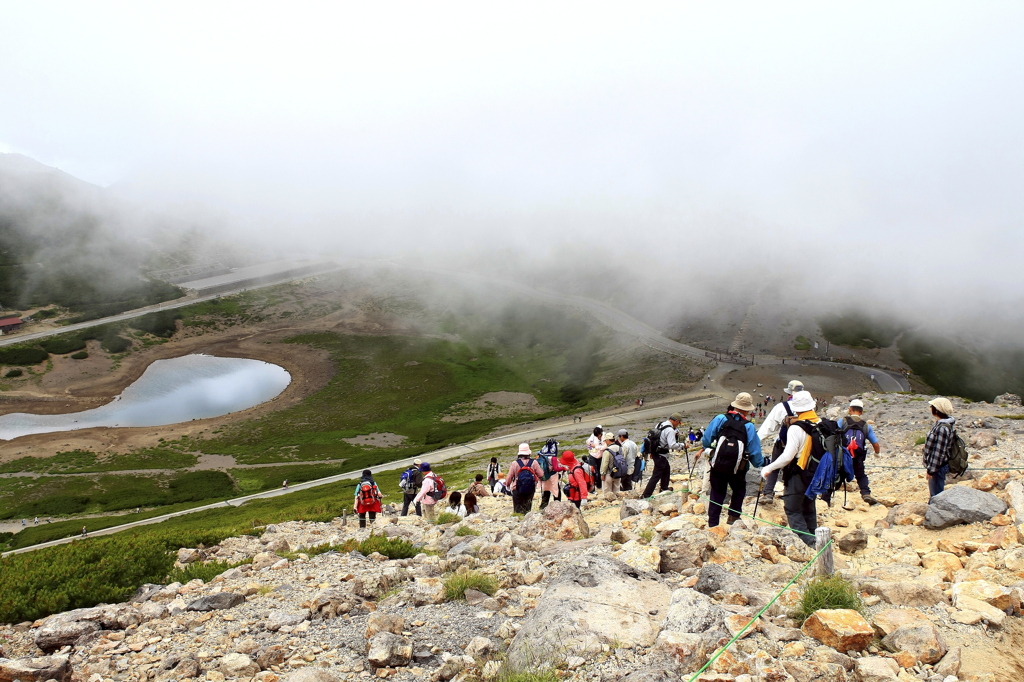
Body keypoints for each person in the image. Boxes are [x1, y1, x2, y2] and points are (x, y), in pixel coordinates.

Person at [759, 390, 821, 546]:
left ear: (797, 409)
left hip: (798, 471)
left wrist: (769, 468)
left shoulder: (796, 428)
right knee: (809, 504)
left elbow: (787, 456)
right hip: (817, 471)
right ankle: (816, 537)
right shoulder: (821, 424)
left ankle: (809, 542)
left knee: (792, 508)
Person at [701, 393, 765, 527]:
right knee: (739, 490)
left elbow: (706, 439)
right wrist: (760, 463)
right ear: (747, 409)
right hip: (739, 468)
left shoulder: (720, 418)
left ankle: (713, 523)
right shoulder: (749, 426)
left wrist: (709, 449)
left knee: (717, 492)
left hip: (718, 465)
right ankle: (733, 518)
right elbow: (754, 450)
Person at [756, 380, 805, 506]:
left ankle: (768, 492)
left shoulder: (782, 407)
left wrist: (755, 441)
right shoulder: (809, 408)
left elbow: (768, 427)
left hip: (782, 443)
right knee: (797, 468)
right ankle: (791, 494)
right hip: (802, 444)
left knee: (775, 465)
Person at [836, 399, 881, 505]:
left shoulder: (842, 421)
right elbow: (875, 443)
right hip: (858, 455)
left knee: (836, 471)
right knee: (861, 475)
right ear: (861, 412)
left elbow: (834, 434)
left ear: (850, 410)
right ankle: (866, 493)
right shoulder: (866, 426)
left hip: (843, 454)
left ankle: (827, 492)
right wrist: (877, 453)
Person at [923, 397, 956, 500]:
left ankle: (935, 512)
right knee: (936, 492)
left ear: (937, 410)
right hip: (938, 466)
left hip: (938, 467)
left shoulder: (942, 428)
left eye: (932, 407)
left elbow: (939, 451)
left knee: (936, 495)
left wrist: (931, 470)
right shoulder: (943, 425)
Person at [642, 412, 682, 498]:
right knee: (656, 475)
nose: (678, 425)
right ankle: (646, 495)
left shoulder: (660, 424)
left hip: (655, 452)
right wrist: (682, 446)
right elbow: (672, 445)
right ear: (676, 421)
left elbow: (653, 438)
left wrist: (652, 452)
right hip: (661, 454)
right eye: (678, 423)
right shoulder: (670, 430)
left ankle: (664, 488)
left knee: (666, 469)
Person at [505, 444, 544, 513]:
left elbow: (509, 477)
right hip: (530, 487)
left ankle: (518, 519)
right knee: (527, 508)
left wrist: (507, 485)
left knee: (517, 508)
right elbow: (541, 474)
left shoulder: (515, 463)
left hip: (517, 488)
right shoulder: (534, 462)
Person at [537, 438, 564, 509]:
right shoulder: (553, 457)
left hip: (544, 477)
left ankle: (543, 508)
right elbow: (556, 468)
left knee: (546, 493)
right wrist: (563, 468)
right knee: (556, 492)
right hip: (553, 477)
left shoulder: (542, 455)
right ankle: (557, 507)